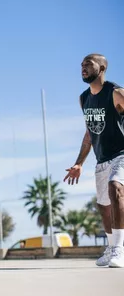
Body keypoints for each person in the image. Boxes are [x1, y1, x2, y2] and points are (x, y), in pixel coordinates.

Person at [64, 53, 124, 268]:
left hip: (121, 154)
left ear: (102, 68)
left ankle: (119, 249)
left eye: (88, 64)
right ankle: (111, 248)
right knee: (103, 206)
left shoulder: (116, 93)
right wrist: (79, 162)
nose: (83, 67)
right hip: (101, 159)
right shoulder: (84, 98)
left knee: (115, 187)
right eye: (81, 64)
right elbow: (89, 132)